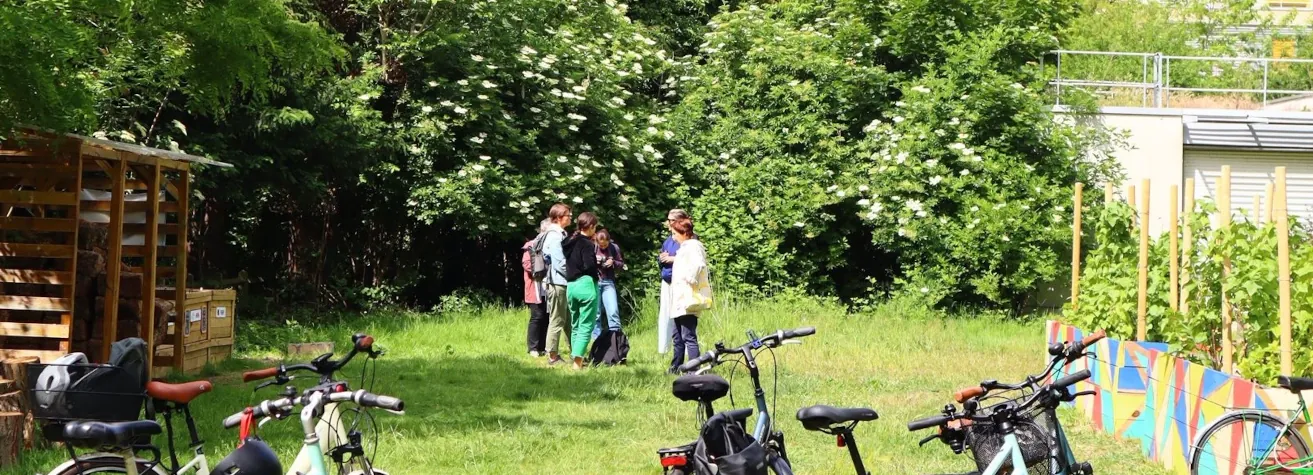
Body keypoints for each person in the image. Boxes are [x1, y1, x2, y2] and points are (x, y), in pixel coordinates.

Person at [668, 217, 710, 374]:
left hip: (688, 298)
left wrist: (689, 278)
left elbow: (699, 264)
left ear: (684, 233)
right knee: (677, 336)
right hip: (680, 298)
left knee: (688, 335)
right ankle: (676, 367)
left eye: (674, 233)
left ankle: (694, 369)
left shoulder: (693, 246)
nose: (673, 237)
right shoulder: (685, 246)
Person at [562, 212, 601, 370]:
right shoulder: (587, 244)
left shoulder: (569, 241)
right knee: (586, 325)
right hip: (586, 285)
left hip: (571, 286)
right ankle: (578, 363)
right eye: (595, 227)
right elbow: (589, 266)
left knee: (576, 323)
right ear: (590, 226)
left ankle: (575, 357)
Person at [589, 229, 630, 365]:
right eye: (601, 246)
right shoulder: (592, 247)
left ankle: (616, 345)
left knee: (613, 312)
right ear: (597, 241)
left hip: (608, 282)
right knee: (596, 314)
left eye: (605, 245)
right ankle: (597, 345)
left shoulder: (614, 248)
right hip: (595, 281)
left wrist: (613, 262)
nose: (604, 247)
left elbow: (621, 264)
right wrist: (596, 260)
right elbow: (586, 264)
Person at [542, 204, 573, 365]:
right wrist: (574, 275)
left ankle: (577, 354)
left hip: (562, 283)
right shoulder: (554, 236)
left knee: (568, 320)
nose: (570, 217)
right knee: (557, 319)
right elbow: (559, 263)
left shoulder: (560, 234)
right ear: (558, 217)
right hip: (558, 283)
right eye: (568, 215)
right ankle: (552, 356)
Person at [658, 209, 690, 354]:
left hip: (681, 283)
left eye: (671, 221)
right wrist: (662, 258)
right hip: (667, 280)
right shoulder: (668, 240)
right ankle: (663, 350)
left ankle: (686, 350)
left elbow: (691, 260)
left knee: (681, 317)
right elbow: (662, 256)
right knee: (665, 315)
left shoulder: (689, 239)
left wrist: (672, 259)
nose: (668, 223)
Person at [521, 219, 552, 357]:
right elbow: (526, 264)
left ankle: (542, 347)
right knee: (537, 316)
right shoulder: (531, 246)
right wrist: (543, 268)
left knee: (546, 316)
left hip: (548, 287)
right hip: (535, 287)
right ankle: (532, 347)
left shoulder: (552, 246)